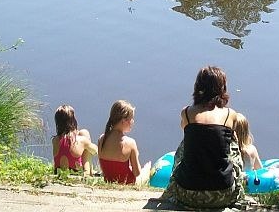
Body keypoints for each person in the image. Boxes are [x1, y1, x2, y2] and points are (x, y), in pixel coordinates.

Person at [161, 65, 246, 209]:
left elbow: (190, 136)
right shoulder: (230, 115)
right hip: (223, 194)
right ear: (222, 88)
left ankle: (170, 188)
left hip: (186, 193)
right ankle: (240, 189)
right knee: (232, 142)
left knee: (186, 141)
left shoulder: (187, 113)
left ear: (198, 87)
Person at [98, 100, 151, 185]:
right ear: (123, 121)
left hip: (109, 181)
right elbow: (137, 173)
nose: (132, 122)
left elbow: (109, 167)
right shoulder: (130, 143)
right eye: (131, 119)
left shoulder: (101, 139)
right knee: (148, 169)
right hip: (128, 183)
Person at [51, 104, 98, 175]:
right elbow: (95, 151)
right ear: (73, 120)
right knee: (85, 133)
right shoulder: (81, 140)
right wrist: (86, 140)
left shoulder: (54, 140)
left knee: (84, 137)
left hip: (60, 174)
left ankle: (91, 172)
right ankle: (89, 173)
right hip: (77, 174)